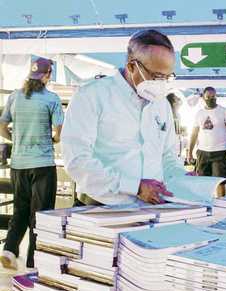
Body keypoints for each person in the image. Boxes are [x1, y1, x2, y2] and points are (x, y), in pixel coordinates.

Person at [61, 30, 188, 206]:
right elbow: (77, 159)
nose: (162, 84)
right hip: (102, 205)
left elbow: (167, 154)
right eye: (157, 76)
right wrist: (134, 187)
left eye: (167, 77)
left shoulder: (161, 104)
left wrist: (182, 177)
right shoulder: (92, 95)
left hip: (153, 204)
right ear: (131, 66)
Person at [0, 58, 64, 270]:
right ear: (46, 76)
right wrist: (53, 140)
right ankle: (34, 262)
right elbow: (59, 133)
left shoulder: (15, 97)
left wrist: (15, 139)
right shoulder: (52, 99)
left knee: (20, 209)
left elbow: (2, 126)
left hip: (18, 164)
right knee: (41, 214)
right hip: (42, 165)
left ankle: (9, 249)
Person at [188, 87, 226, 197]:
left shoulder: (224, 111)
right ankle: (204, 206)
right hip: (202, 152)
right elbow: (194, 133)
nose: (211, 99)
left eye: (213, 97)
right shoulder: (199, 113)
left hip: (220, 152)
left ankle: (221, 206)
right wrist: (189, 152)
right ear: (203, 98)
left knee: (220, 182)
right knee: (202, 183)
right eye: (208, 97)